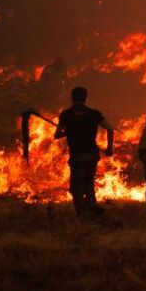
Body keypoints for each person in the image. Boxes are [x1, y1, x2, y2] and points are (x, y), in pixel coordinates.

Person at [54, 86, 114, 218]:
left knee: (77, 188)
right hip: (92, 154)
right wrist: (109, 149)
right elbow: (110, 129)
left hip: (77, 155)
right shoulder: (94, 113)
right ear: (86, 98)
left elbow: (57, 135)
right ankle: (92, 205)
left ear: (71, 98)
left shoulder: (66, 114)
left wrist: (68, 131)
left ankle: (82, 214)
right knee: (89, 181)